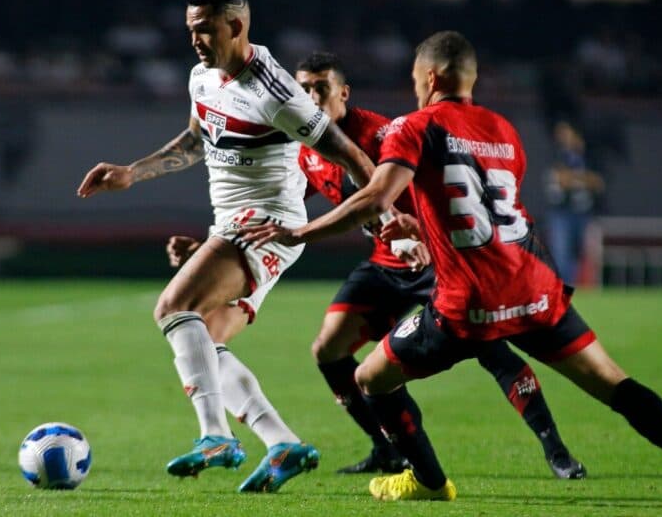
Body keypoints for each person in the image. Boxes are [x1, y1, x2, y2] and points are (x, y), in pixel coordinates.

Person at [240, 31, 662, 508]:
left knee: (371, 377)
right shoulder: (503, 130)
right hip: (534, 288)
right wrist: (415, 230)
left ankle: (427, 481)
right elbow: (484, 208)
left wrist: (300, 232)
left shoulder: (411, 126)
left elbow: (378, 194)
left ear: (428, 78)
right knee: (616, 384)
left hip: (467, 300)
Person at [170, 51, 585, 479]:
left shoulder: (380, 135)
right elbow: (282, 207)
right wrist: (209, 248)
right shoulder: (305, 147)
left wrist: (417, 234)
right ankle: (386, 449)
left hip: (436, 261)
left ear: (343, 93)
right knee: (329, 348)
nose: (310, 97)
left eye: (321, 88)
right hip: (386, 266)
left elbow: (428, 187)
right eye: (303, 88)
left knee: (489, 348)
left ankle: (555, 448)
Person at [76, 0, 375, 493]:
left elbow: (351, 155)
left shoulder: (276, 92)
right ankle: (281, 443)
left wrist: (379, 215)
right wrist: (132, 172)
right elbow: (197, 139)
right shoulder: (203, 77)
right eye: (190, 29)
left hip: (265, 224)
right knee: (204, 341)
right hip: (232, 225)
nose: (194, 39)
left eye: (204, 29)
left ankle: (214, 435)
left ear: (236, 26)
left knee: (172, 307)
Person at [544, 120, 605, 285]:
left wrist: (574, 178)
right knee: (561, 254)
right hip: (561, 212)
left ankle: (586, 288)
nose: (563, 137)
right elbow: (561, 180)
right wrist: (584, 179)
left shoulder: (591, 156)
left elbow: (598, 182)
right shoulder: (556, 154)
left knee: (588, 256)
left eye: (566, 133)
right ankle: (564, 291)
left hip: (585, 212)